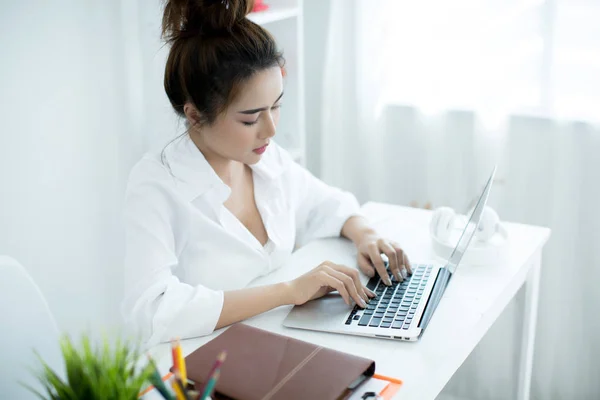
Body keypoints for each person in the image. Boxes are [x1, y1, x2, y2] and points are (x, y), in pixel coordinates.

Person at [122, 0, 411, 345]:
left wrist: (365, 234)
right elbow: (152, 311)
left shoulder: (265, 158)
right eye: (251, 118)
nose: (271, 130)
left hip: (276, 344)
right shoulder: (155, 185)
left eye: (276, 106)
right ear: (195, 115)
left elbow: (324, 203)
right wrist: (289, 291)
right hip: (203, 366)